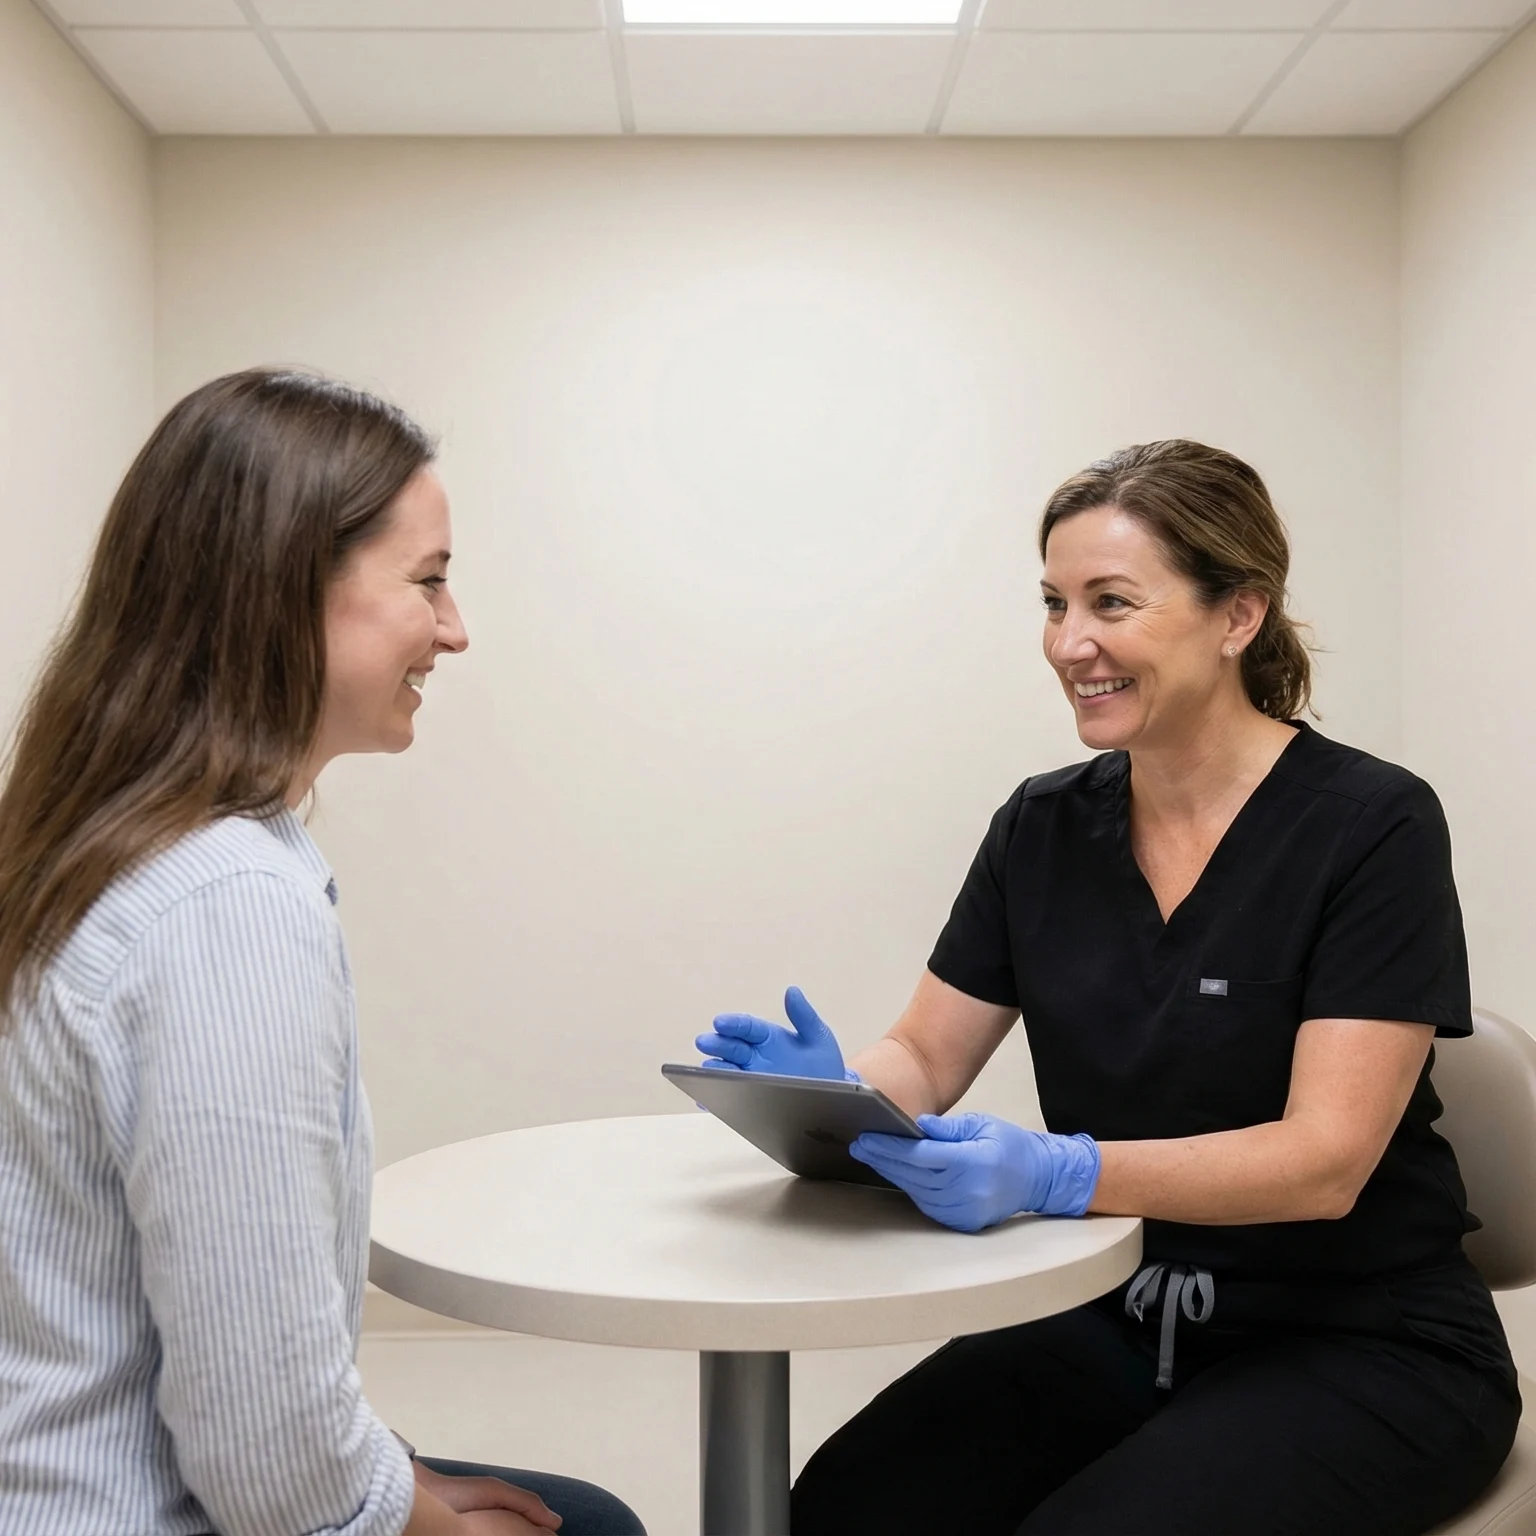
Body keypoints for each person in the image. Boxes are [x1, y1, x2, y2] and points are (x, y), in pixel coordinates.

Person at [695, 440, 1519, 1536]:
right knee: (840, 1513)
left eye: (1112, 603)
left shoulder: (1371, 827)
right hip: (1113, 1310)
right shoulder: (1041, 826)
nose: (1069, 643)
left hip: (1362, 1339)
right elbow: (930, 1057)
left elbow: (1326, 1163)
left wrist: (1057, 1171)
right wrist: (842, 1094)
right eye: (1053, 602)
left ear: (1239, 617)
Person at [0, 370, 645, 1536]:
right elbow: (268, 1453)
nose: (455, 629)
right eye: (429, 582)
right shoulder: (226, 907)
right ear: (288, 591)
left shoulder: (96, 843)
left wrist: (390, 1473)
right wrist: (427, 1523)